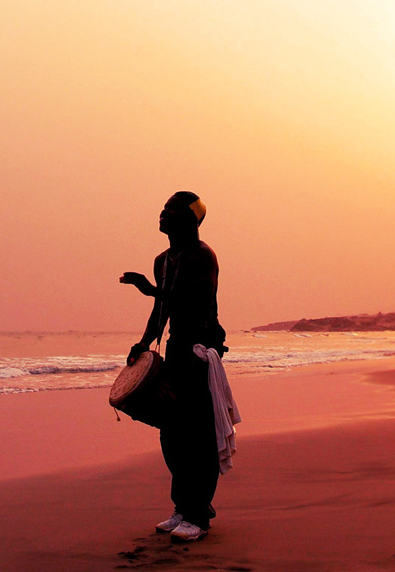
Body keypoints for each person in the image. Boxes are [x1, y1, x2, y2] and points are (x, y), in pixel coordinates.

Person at [120, 191, 227, 542]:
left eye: (172, 209)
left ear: (192, 218)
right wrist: (144, 342)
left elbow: (195, 300)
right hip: (175, 348)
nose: (163, 214)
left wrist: (151, 290)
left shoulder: (202, 255)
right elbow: (162, 311)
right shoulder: (162, 259)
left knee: (198, 434)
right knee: (172, 433)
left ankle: (200, 514)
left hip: (199, 349)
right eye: (163, 208)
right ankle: (182, 507)